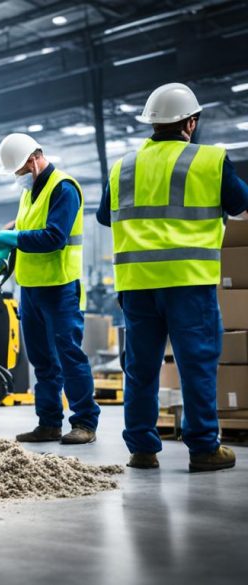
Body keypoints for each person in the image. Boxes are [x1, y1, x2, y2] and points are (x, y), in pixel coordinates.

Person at [97, 82, 248, 472]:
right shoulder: (210, 161)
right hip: (188, 282)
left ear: (152, 124)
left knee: (141, 368)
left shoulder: (124, 167)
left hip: (137, 285)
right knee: (196, 365)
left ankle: (143, 449)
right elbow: (240, 204)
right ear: (191, 123)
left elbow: (103, 215)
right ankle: (203, 449)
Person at [0, 133, 100, 444]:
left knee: (69, 356)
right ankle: (49, 423)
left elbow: (54, 236)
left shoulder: (63, 188)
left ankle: (84, 423)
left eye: (19, 172)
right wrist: (12, 230)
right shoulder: (30, 191)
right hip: (31, 288)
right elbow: (30, 224)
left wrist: (12, 239)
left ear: (33, 161)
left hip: (60, 287)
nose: (18, 179)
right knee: (43, 362)